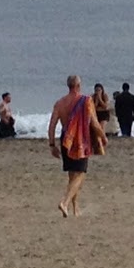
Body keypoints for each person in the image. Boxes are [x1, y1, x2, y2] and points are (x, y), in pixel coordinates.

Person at [48, 74, 105, 218]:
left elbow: (52, 125)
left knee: (73, 175)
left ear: (68, 86)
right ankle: (65, 202)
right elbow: (94, 123)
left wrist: (52, 144)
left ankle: (75, 207)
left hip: (65, 140)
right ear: (78, 86)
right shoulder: (86, 101)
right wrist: (103, 137)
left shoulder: (60, 103)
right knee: (80, 174)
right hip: (79, 140)